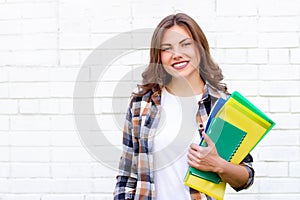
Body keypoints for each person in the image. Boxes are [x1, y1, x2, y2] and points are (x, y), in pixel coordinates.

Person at [114, 13, 254, 200]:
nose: (177, 54)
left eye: (185, 44)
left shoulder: (224, 106)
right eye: (167, 48)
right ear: (159, 56)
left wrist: (218, 165)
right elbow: (127, 176)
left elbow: (246, 177)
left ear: (199, 48)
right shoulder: (141, 104)